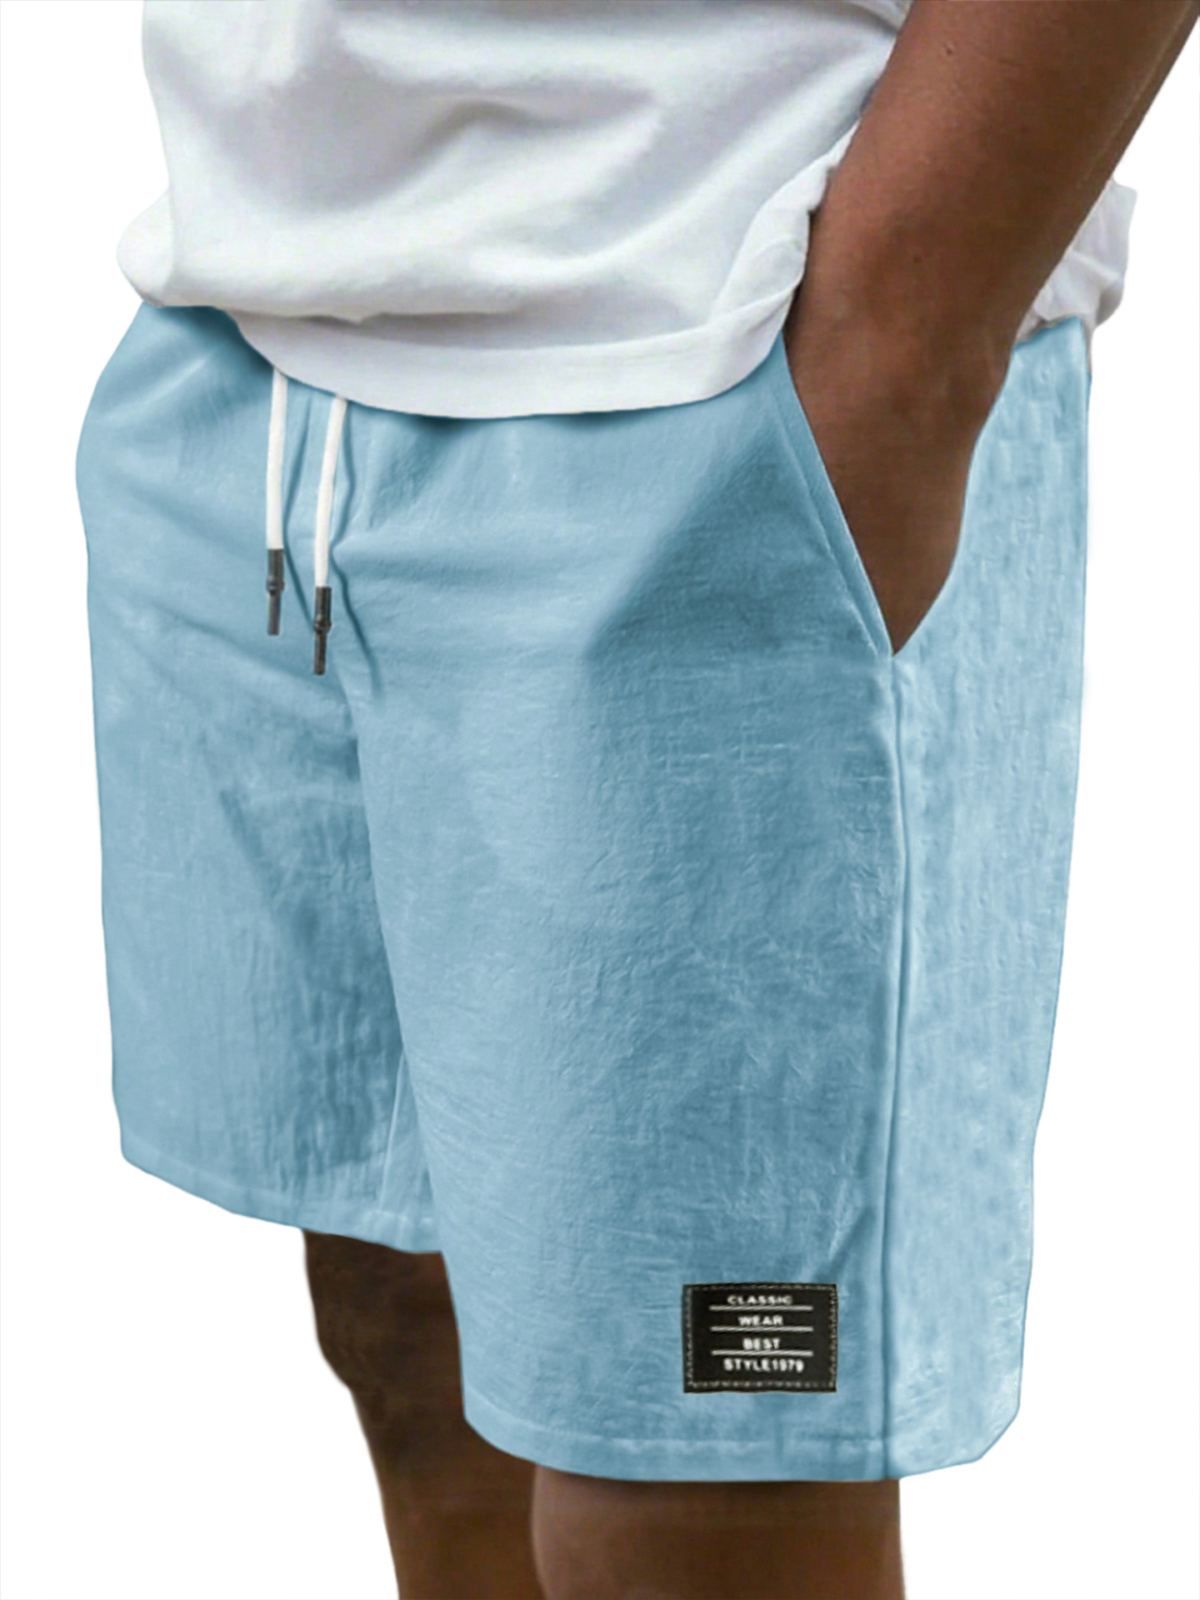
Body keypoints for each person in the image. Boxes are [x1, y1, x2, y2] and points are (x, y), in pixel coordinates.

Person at [76, 3, 1197, 1596]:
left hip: (714, 341)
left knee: (694, 1484)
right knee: (411, 1327)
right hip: (263, 328)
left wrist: (900, 339)